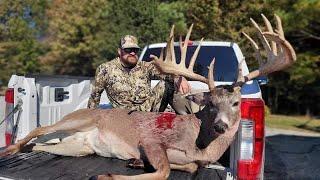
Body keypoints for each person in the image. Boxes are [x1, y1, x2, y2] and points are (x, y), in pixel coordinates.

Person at [87, 35, 191, 112]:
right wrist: (91, 119)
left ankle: (186, 119)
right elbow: (95, 96)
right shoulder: (105, 69)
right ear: (119, 51)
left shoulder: (145, 66)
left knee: (167, 84)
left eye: (135, 50)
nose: (132, 53)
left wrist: (178, 77)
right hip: (122, 117)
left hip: (147, 111)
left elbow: (165, 74)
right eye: (128, 49)